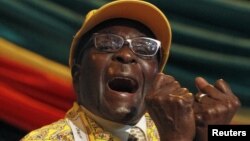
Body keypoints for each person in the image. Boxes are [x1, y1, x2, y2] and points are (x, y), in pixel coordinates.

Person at [21, 0, 240, 141]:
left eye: (145, 48)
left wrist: (214, 133)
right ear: (77, 75)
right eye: (107, 44)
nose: (126, 55)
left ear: (157, 78)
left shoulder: (185, 123)